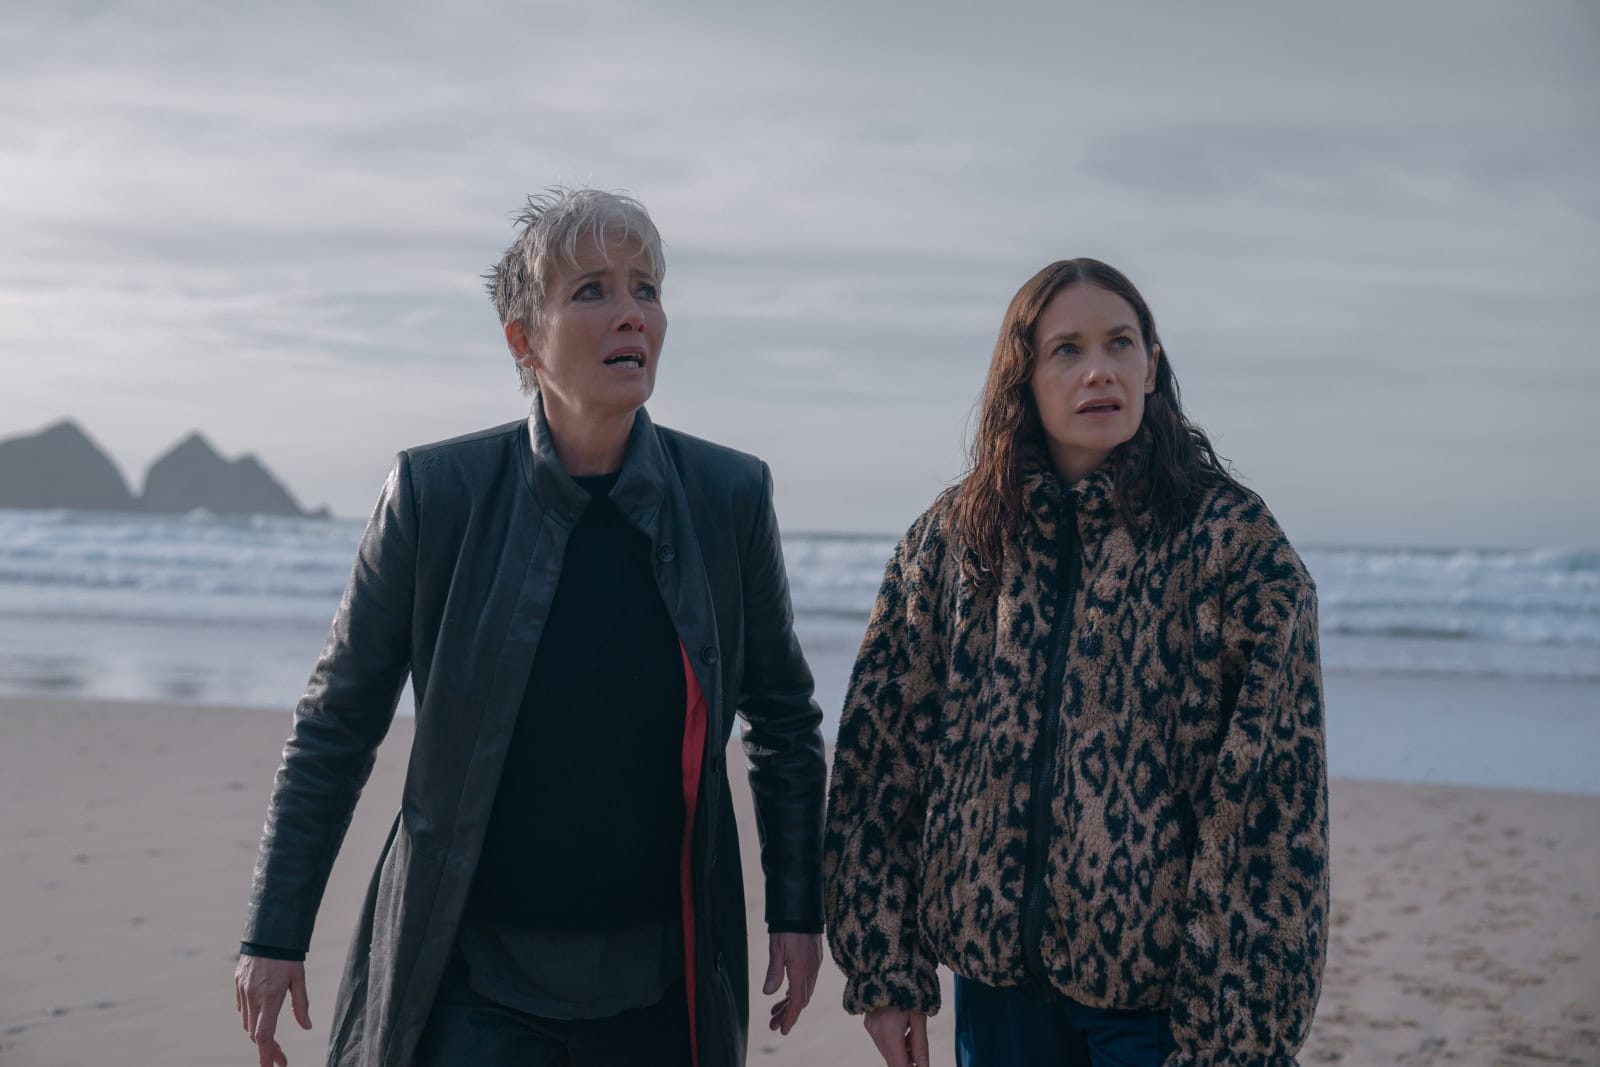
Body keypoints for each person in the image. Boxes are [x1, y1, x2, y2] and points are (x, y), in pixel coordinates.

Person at [233, 187, 826, 1067]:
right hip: (474, 985)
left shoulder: (726, 497)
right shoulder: (436, 497)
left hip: (662, 989)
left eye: (647, 288)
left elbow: (783, 718)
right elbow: (337, 723)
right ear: (523, 341)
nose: (632, 313)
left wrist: (797, 908)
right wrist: (275, 929)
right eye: (592, 290)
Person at [823, 258, 1328, 1067]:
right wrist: (885, 968)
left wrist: (1237, 1038)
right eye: (1067, 349)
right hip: (995, 996)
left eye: (1120, 343)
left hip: (1160, 1013)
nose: (1100, 370)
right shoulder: (953, 540)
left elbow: (1274, 813)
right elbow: (880, 763)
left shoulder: (1233, 547)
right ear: (1022, 376)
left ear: (1151, 366)